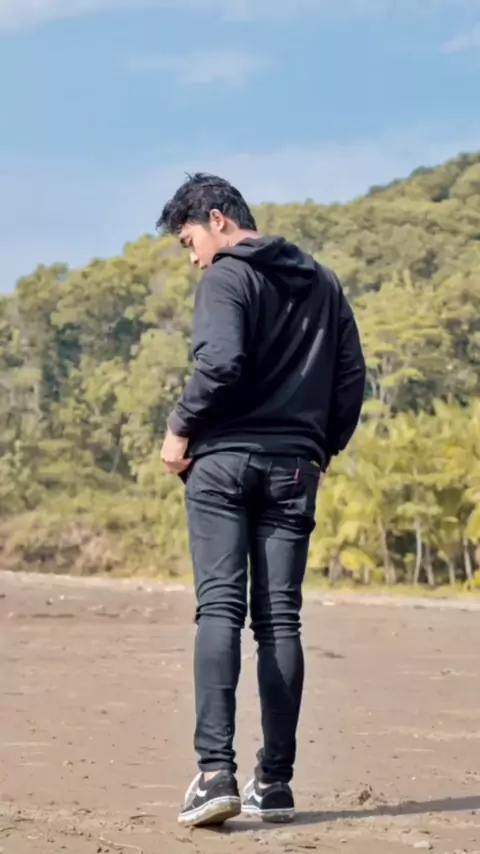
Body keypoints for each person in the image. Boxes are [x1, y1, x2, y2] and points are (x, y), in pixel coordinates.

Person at [156, 173, 366, 829]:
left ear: (217, 220)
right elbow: (351, 379)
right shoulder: (325, 284)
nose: (194, 258)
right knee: (280, 621)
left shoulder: (228, 276)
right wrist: (320, 449)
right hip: (294, 468)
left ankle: (214, 774)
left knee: (220, 607)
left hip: (222, 463)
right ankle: (274, 783)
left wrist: (178, 429)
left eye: (190, 241)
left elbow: (220, 364)